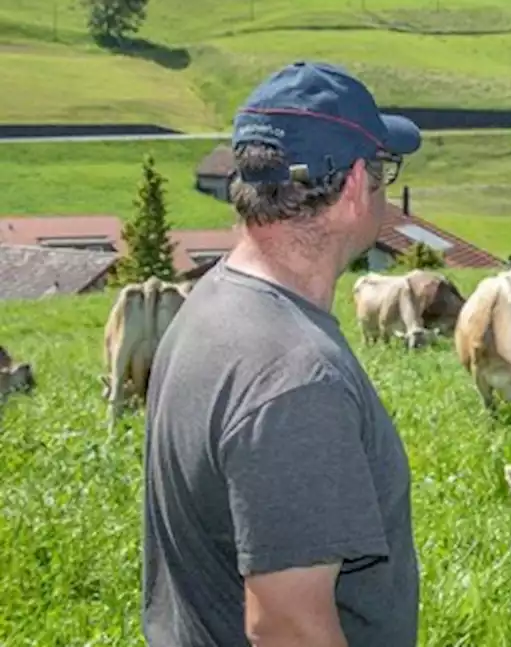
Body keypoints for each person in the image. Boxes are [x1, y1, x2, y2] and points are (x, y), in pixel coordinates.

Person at [141, 61, 423, 647]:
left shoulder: (210, 307)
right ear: (351, 188)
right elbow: (287, 627)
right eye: (383, 173)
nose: (384, 192)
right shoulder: (296, 380)